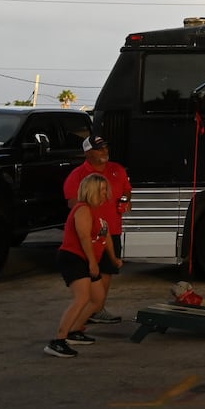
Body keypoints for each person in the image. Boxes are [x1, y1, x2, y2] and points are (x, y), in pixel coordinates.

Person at [45, 174, 122, 357]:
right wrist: (93, 262)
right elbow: (84, 238)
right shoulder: (83, 209)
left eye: (106, 189)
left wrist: (114, 258)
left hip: (87, 258)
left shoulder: (100, 211)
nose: (106, 193)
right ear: (92, 190)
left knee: (97, 299)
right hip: (73, 257)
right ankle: (58, 340)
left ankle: (74, 330)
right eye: (102, 190)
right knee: (82, 298)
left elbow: (106, 237)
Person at [64, 135, 131, 324]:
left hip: (112, 230)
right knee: (90, 272)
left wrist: (125, 201)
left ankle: (98, 309)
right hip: (91, 232)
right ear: (87, 153)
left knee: (107, 270)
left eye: (105, 147)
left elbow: (127, 189)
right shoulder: (77, 175)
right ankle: (81, 315)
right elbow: (72, 202)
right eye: (99, 149)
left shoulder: (117, 169)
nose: (104, 152)